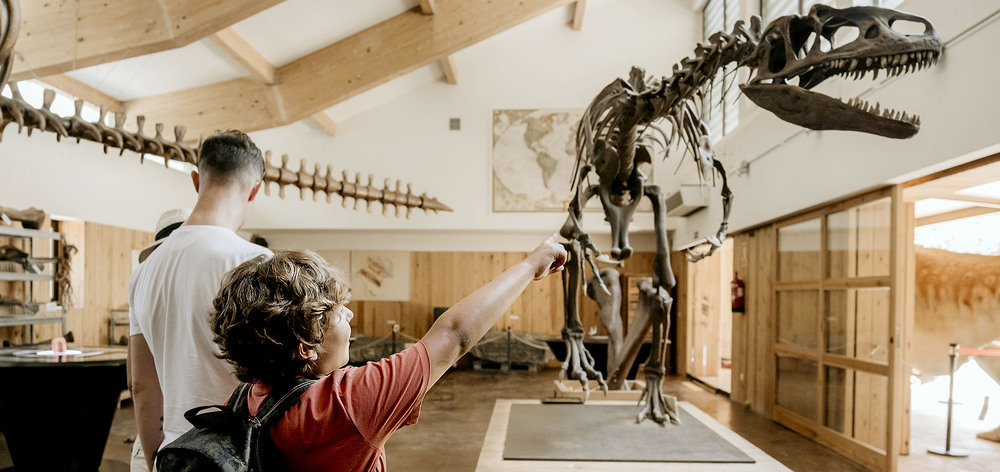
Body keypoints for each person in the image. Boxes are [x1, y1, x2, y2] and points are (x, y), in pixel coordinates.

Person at [209, 236, 566, 471]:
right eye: (335, 310)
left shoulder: (244, 399)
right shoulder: (343, 406)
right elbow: (454, 334)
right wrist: (532, 264)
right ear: (306, 346)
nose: (349, 314)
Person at [128, 130, 272, 472]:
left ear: (196, 180)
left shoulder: (144, 272)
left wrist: (155, 462)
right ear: (256, 189)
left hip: (177, 452)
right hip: (244, 453)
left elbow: (141, 386)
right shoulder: (260, 264)